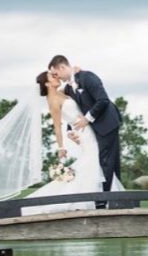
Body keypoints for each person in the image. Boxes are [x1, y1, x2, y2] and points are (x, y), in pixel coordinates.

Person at [17, 69, 122, 215]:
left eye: (55, 74)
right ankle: (95, 199)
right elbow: (57, 126)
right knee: (93, 160)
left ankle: (100, 198)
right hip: (84, 133)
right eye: (52, 76)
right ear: (47, 84)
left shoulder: (64, 91)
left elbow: (78, 107)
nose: (56, 77)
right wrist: (61, 147)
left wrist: (71, 128)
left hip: (88, 128)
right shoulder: (52, 101)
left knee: (96, 161)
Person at [47, 55, 122, 208]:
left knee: (106, 162)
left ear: (62, 67)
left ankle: (103, 202)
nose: (57, 77)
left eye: (56, 73)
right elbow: (74, 109)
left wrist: (87, 119)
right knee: (107, 162)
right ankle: (114, 199)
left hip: (107, 123)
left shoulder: (88, 77)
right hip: (92, 129)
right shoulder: (68, 88)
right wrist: (70, 129)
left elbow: (103, 100)